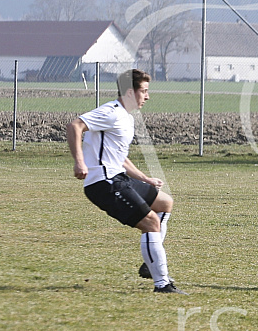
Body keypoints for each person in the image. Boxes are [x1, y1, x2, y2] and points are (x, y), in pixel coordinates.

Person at [66, 69, 185, 294]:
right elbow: (75, 126)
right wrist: (79, 162)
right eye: (144, 91)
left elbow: (119, 157)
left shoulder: (127, 118)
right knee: (151, 223)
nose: (147, 96)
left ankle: (152, 261)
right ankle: (162, 284)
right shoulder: (111, 111)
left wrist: (144, 178)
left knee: (164, 203)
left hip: (118, 177)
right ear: (131, 91)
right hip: (103, 183)